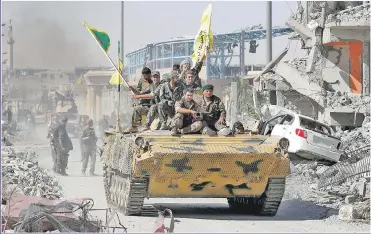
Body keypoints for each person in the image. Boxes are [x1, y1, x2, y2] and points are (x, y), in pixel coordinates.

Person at [124, 67, 153, 133]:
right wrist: (132, 89)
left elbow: (141, 93)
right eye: (143, 76)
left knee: (138, 110)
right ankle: (136, 126)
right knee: (137, 109)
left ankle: (138, 126)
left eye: (146, 76)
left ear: (149, 75)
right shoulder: (141, 81)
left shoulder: (152, 84)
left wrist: (137, 94)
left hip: (150, 104)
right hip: (142, 102)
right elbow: (138, 91)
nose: (144, 77)